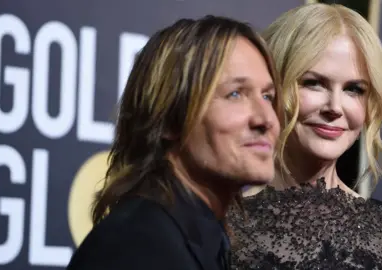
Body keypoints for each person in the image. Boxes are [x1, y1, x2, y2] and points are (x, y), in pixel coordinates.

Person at [228, 4, 382, 270]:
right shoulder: (219, 231)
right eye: (314, 83)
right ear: (271, 88)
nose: (335, 107)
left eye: (354, 89)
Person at [66, 15, 284, 270]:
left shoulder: (208, 241)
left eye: (268, 97)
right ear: (169, 118)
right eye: (235, 94)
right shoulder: (139, 248)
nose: (266, 119)